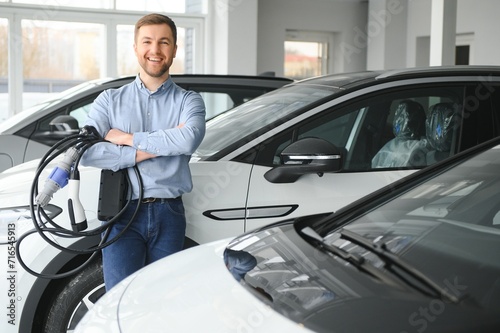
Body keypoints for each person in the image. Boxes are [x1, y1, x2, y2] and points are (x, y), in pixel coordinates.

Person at [81, 13, 206, 290]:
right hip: (120, 213)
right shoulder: (109, 100)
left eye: (164, 42)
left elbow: (186, 141)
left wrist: (125, 138)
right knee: (120, 300)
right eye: (147, 41)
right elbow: (87, 153)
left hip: (169, 212)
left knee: (163, 299)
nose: (155, 50)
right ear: (136, 48)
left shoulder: (190, 100)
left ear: (174, 49)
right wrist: (149, 150)